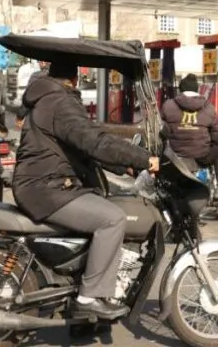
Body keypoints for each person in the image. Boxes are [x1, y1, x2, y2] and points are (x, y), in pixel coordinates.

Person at [12, 62, 159, 321]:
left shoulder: (49, 98)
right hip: (46, 187)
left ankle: (86, 313)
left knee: (104, 206)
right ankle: (88, 298)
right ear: (74, 79)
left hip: (47, 183)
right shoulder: (60, 102)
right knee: (112, 218)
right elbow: (94, 141)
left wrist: (125, 166)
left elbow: (80, 148)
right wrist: (143, 158)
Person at [160, 74, 218, 202]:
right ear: (197, 89)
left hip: (175, 155)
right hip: (201, 155)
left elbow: (161, 129)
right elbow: (216, 135)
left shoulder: (168, 105)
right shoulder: (208, 107)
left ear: (180, 89)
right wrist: (213, 142)